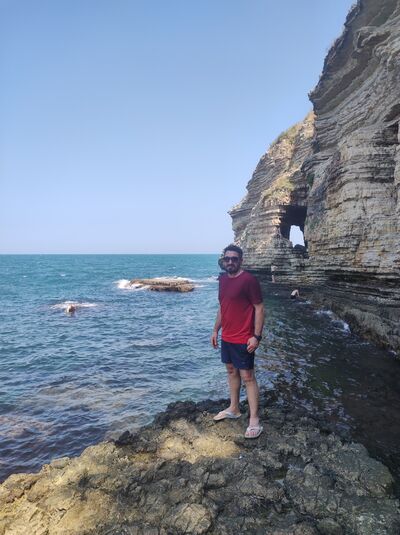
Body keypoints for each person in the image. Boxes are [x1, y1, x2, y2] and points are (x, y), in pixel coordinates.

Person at [211, 244, 265, 439]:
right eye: (227, 259)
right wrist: (215, 330)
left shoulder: (249, 280)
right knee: (231, 371)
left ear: (241, 260)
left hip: (244, 337)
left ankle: (254, 420)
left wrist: (256, 336)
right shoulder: (223, 279)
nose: (230, 262)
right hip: (227, 336)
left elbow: (259, 308)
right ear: (223, 261)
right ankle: (234, 408)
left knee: (248, 377)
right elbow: (222, 306)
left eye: (234, 259)